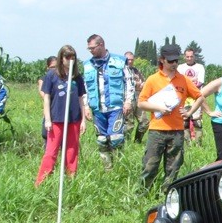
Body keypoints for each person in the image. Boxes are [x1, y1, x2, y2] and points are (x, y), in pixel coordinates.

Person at [137, 44, 203, 192]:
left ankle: (167, 195)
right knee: (150, 165)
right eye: (170, 61)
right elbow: (141, 103)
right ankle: (142, 194)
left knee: (173, 167)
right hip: (157, 130)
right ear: (162, 60)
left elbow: (199, 96)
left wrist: (189, 112)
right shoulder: (153, 80)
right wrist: (159, 108)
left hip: (177, 131)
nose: (174, 64)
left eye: (176, 61)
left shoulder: (183, 80)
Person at [35, 45, 88, 186]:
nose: (70, 60)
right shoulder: (52, 75)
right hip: (56, 119)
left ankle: (71, 180)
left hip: (74, 119)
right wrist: (47, 119)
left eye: (73, 57)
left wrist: (83, 120)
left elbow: (80, 99)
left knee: (71, 151)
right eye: (67, 57)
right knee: (51, 152)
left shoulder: (77, 77)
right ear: (61, 58)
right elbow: (46, 98)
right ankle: (42, 181)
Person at [82, 34, 134, 169]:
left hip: (115, 107)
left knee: (116, 138)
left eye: (92, 48)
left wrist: (128, 101)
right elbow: (86, 88)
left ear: (101, 45)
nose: (90, 51)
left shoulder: (119, 61)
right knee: (102, 140)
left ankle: (120, 167)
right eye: (89, 49)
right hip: (97, 108)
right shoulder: (87, 65)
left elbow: (129, 82)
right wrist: (86, 106)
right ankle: (108, 169)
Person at [176, 47, 205, 144]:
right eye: (187, 57)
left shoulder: (200, 67)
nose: (189, 58)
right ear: (185, 57)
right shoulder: (180, 67)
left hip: (196, 97)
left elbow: (200, 82)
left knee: (197, 122)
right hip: (183, 98)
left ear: (194, 57)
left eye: (191, 56)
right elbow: (179, 82)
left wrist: (187, 82)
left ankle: (198, 144)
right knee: (185, 122)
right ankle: (187, 144)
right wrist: (192, 80)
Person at [124, 51, 149, 143]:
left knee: (145, 122)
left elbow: (144, 81)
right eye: (128, 59)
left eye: (131, 60)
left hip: (138, 98)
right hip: (127, 99)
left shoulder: (136, 71)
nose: (130, 61)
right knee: (129, 124)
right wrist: (135, 84)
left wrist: (142, 84)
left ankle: (137, 141)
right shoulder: (121, 71)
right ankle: (126, 143)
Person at [38, 56, 57, 147]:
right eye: (52, 67)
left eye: (56, 67)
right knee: (46, 134)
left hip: (60, 111)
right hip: (49, 110)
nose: (54, 69)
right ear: (47, 67)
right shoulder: (44, 79)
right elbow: (43, 93)